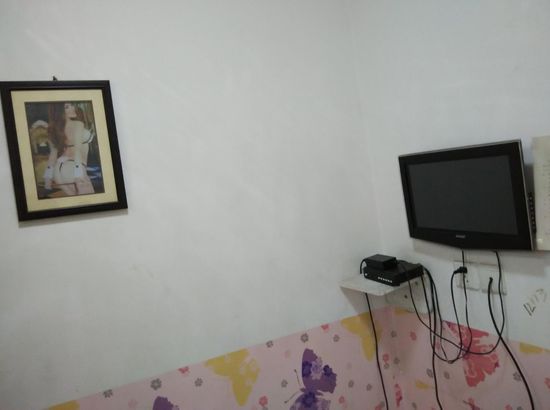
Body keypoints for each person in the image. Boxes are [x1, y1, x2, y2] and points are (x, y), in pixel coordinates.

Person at [43, 102, 95, 196]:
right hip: (74, 167)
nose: (72, 108)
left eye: (71, 105)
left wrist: (47, 180)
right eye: (67, 107)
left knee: (76, 202)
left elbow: (53, 155)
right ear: (59, 112)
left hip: (57, 171)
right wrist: (79, 174)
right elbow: (77, 151)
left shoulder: (53, 129)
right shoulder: (78, 124)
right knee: (90, 201)